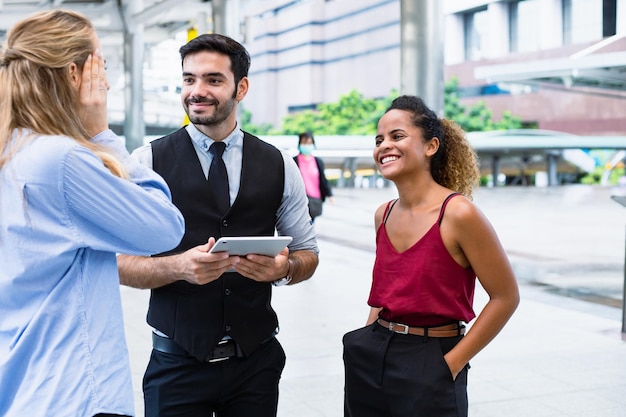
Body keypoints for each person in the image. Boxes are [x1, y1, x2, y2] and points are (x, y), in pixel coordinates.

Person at [117, 33, 319, 417]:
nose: (197, 91)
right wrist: (176, 267)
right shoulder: (146, 162)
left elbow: (309, 254)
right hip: (175, 365)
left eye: (213, 80)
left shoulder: (280, 164)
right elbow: (115, 261)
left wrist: (284, 269)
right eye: (189, 79)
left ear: (241, 87)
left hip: (255, 364)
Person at [0, 9, 185, 417]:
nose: (105, 78)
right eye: (100, 63)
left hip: (24, 387)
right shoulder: (61, 160)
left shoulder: (11, 152)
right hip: (76, 391)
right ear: (73, 73)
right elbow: (164, 228)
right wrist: (101, 134)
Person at [343, 95, 520, 417]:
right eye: (379, 139)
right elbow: (387, 292)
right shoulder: (383, 214)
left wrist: (450, 364)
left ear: (430, 146)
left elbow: (505, 297)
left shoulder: (459, 213)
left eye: (397, 136)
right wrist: (366, 342)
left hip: (433, 357)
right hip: (373, 352)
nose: (384, 145)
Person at [293, 131, 333, 221]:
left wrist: (329, 194)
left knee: (310, 223)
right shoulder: (294, 161)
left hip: (315, 199)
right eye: (304, 143)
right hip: (300, 200)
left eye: (309, 143)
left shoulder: (318, 162)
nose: (307, 145)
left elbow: (323, 179)